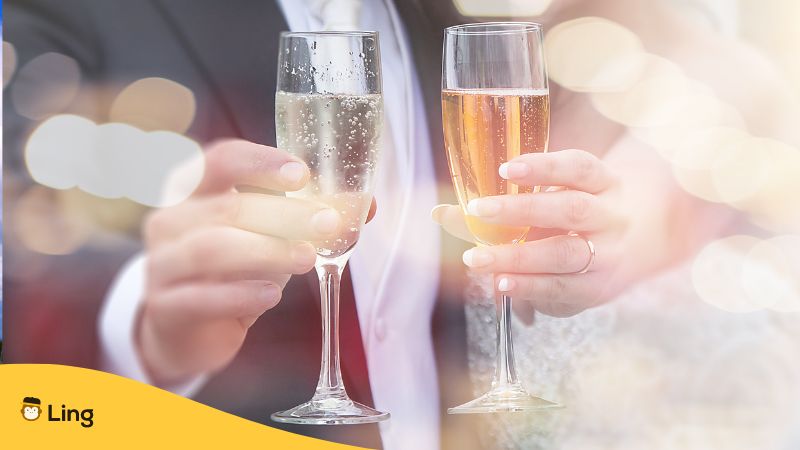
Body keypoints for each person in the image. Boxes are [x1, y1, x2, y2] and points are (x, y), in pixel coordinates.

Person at [4, 0, 800, 449]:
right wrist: (138, 324)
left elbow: (718, 63)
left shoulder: (443, 20)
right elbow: (23, 236)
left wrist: (597, 235)